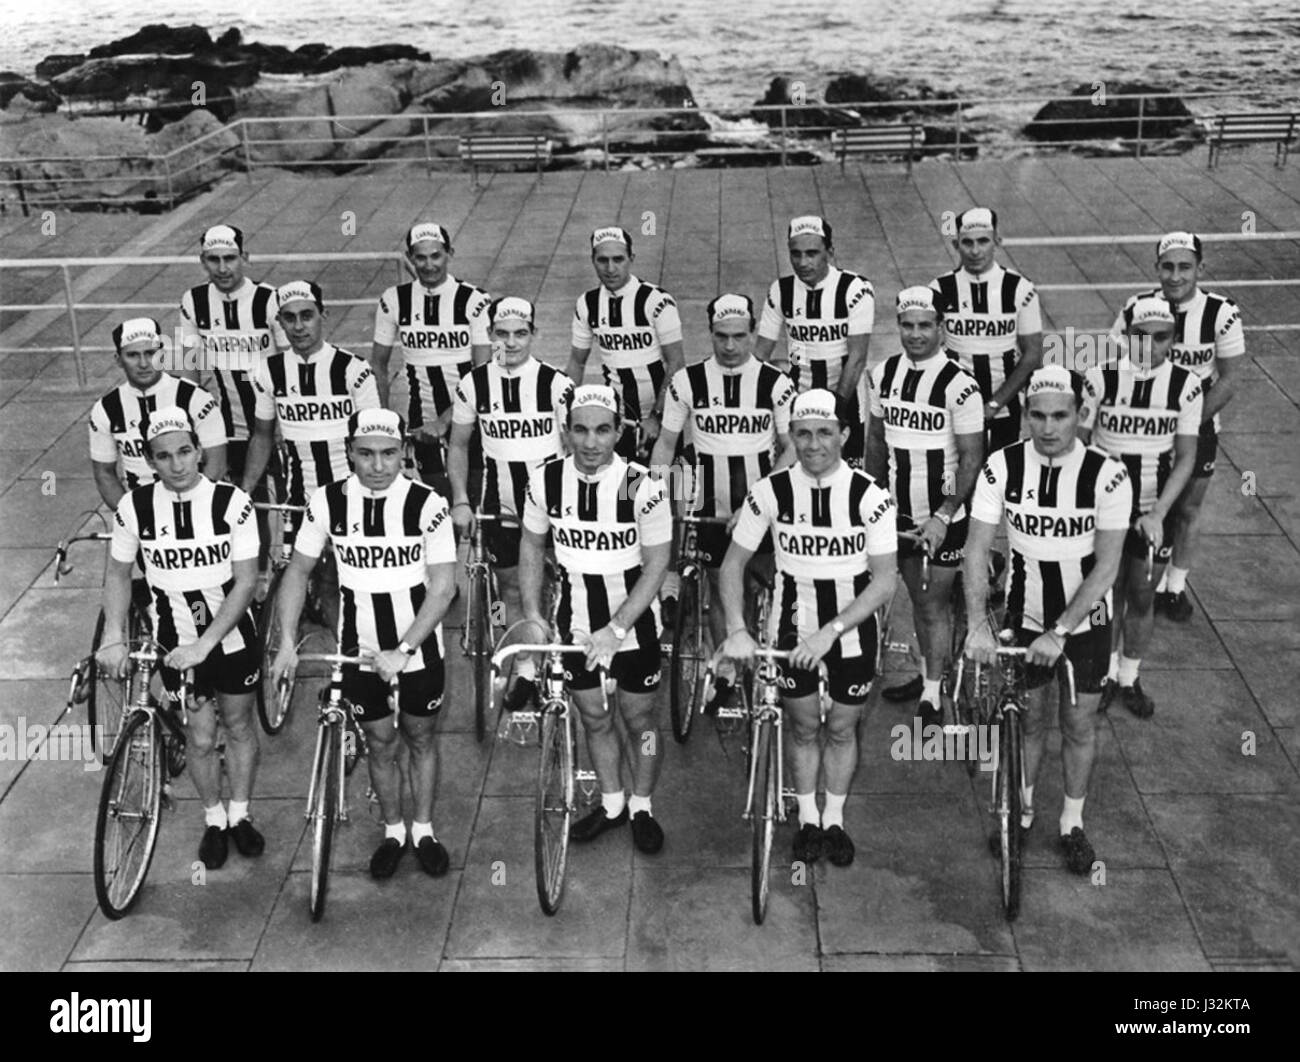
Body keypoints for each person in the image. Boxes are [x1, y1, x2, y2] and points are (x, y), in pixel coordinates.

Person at [271, 409, 458, 879]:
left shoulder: (428, 504)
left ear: (403, 454)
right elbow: (297, 571)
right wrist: (287, 642)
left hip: (417, 647)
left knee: (420, 736)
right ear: (350, 452)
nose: (377, 465)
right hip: (359, 647)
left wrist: (406, 649)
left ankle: (424, 828)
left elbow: (443, 588)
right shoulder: (328, 500)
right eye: (367, 454)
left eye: (389, 454)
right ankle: (394, 831)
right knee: (379, 742)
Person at [963, 366, 1131, 876]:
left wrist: (1060, 633)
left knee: (1078, 723)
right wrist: (976, 624)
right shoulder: (1001, 466)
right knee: (1029, 719)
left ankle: (1072, 824)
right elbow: (976, 549)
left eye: (1061, 415)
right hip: (1023, 614)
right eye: (1037, 415)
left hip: (1082, 624)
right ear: (1025, 415)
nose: (1049, 427)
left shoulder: (1108, 474)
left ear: (1082, 415)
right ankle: (1023, 811)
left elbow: (1106, 566)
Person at [719, 389, 898, 867]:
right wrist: (737, 628)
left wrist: (831, 631)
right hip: (788, 630)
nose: (813, 444)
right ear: (791, 436)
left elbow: (883, 582)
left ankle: (834, 818)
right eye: (802, 433)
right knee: (802, 727)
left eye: (824, 432)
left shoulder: (870, 495)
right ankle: (807, 819)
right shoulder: (769, 491)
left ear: (844, 434)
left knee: (841, 728)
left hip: (852, 631)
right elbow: (732, 564)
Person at [97, 407, 263, 870]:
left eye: (186, 451)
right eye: (164, 456)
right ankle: (214, 819)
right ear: (150, 461)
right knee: (201, 735)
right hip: (175, 643)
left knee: (239, 725)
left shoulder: (233, 503)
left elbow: (247, 582)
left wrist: (206, 644)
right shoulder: (135, 507)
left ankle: (241, 815)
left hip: (229, 639)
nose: (177, 464)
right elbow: (117, 572)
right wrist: (113, 633)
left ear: (199, 450)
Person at [518, 385, 672, 854]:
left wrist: (617, 628)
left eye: (602, 430)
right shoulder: (545, 480)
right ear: (564, 432)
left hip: (634, 627)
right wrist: (530, 615)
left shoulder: (640, 484)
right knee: (593, 716)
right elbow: (530, 546)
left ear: (618, 431)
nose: (590, 442)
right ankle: (611, 804)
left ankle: (642, 804)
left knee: (639, 719)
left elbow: (656, 564)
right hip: (575, 627)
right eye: (580, 430)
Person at [650, 293, 796, 710]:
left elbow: (789, 449)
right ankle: (727, 671)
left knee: (758, 585)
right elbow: (666, 444)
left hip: (762, 508)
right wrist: (658, 494)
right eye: (720, 337)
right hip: (711, 509)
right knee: (719, 588)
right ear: (709, 334)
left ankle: (766, 659)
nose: (730, 346)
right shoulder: (687, 382)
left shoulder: (776, 383)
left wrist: (758, 499)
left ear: (754, 334)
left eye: (739, 337)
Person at [865, 287, 985, 726]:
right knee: (918, 598)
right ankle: (930, 669)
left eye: (924, 326)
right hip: (897, 515)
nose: (915, 334)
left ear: (942, 328)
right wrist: (872, 498)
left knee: (932, 602)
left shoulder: (961, 385)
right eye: (907, 325)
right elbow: (875, 441)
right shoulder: (881, 375)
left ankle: (932, 695)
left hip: (942, 518)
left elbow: (973, 458)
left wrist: (944, 514)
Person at [1111, 231, 1245, 622]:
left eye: (1185, 267)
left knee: (1187, 508)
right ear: (1156, 268)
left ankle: (1174, 586)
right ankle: (1126, 580)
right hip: (1141, 426)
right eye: (1167, 266)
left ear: (1200, 268)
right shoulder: (1137, 308)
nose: (1175, 276)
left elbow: (1230, 379)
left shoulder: (1221, 312)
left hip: (1196, 425)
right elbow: (1116, 364)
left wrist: (1186, 422)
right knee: (1136, 504)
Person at [447, 297, 574, 710]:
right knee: (506, 592)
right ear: (490, 336)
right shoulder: (473, 384)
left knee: (558, 585)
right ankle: (519, 661)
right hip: (498, 505)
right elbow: (460, 446)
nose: (511, 342)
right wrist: (461, 499)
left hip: (550, 507)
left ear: (534, 335)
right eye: (502, 334)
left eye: (521, 333)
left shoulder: (557, 384)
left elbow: (576, 451)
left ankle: (560, 655)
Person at [1080, 294, 1202, 718]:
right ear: (1125, 335)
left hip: (1153, 509)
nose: (1149, 346)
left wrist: (1159, 512)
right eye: (1139, 336)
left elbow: (1186, 456)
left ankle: (1129, 677)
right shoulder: (1099, 377)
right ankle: (1105, 674)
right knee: (1105, 594)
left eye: (1161, 337)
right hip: (1105, 511)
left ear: (1175, 338)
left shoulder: (1186, 384)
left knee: (1142, 594)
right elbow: (1078, 442)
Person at [178, 224, 287, 582]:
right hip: (232, 426)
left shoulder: (270, 299)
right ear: (203, 261)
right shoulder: (193, 301)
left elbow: (291, 361)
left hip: (280, 423)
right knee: (247, 504)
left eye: (230, 258)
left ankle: (305, 582)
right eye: (214, 260)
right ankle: (255, 579)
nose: (223, 268)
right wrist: (189, 424)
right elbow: (190, 369)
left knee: (290, 504)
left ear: (245, 258)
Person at [371, 222, 492, 491]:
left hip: (470, 415)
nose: (428, 265)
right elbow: (378, 364)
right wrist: (383, 419)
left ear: (450, 253)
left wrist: (445, 421)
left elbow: (484, 372)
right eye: (420, 257)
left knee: (471, 496)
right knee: (436, 496)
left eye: (436, 255)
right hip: (422, 419)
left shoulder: (474, 299)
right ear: (411, 258)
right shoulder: (394, 299)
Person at [241, 280, 380, 507]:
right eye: (289, 317)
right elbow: (263, 436)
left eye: (306, 316)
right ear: (279, 322)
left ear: (323, 315)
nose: (298, 327)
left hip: (354, 496)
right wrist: (245, 491)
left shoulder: (354, 368)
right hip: (300, 498)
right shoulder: (267, 371)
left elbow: (374, 437)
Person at [753, 215, 874, 464]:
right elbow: (760, 354)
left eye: (812, 253)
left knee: (847, 476)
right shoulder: (780, 290)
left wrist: (835, 411)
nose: (803, 262)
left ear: (829, 252)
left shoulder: (855, 288)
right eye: (795, 254)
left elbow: (857, 357)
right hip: (798, 397)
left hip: (846, 399)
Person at [929, 207, 1044, 453]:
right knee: (953, 474)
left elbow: (1033, 354)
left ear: (997, 242)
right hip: (954, 402)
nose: (975, 250)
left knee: (1003, 474)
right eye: (967, 243)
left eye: (983, 241)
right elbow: (930, 351)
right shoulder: (939, 288)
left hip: (1004, 404)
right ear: (955, 245)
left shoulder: (1020, 288)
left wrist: (994, 404)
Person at [565, 226, 684, 462]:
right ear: (593, 260)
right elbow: (576, 362)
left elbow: (677, 363)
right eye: (603, 260)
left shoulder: (657, 300)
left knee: (672, 488)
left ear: (631, 258)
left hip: (664, 414)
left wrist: (657, 416)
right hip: (619, 416)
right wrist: (566, 411)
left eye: (618, 259)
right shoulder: (587, 303)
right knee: (628, 492)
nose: (610, 268)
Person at [89, 317, 226, 510]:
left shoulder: (195, 397)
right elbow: (104, 473)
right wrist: (131, 517)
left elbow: (217, 463)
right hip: (143, 513)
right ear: (118, 360)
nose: (143, 363)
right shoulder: (105, 408)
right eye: (133, 355)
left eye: (150, 353)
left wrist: (191, 509)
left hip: (199, 507)